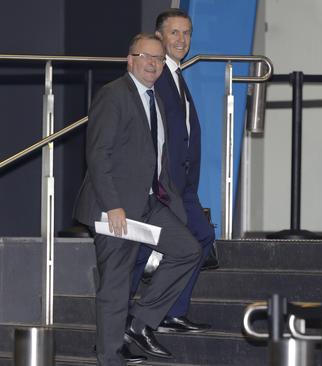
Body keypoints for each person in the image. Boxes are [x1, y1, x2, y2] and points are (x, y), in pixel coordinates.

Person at [73, 33, 201, 365]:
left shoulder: (153, 97)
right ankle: (110, 357)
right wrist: (112, 205)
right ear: (130, 59)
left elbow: (156, 156)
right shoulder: (113, 95)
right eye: (146, 56)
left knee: (187, 251)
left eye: (158, 59)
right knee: (115, 288)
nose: (152, 64)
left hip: (148, 203)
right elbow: (98, 155)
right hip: (115, 207)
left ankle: (139, 322)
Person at [130, 9, 215, 333]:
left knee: (202, 236)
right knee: (139, 252)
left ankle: (170, 311)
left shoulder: (177, 75)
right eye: (175, 33)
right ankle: (126, 316)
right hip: (163, 186)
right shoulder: (155, 76)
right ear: (159, 38)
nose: (182, 40)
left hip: (184, 185)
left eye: (187, 33)